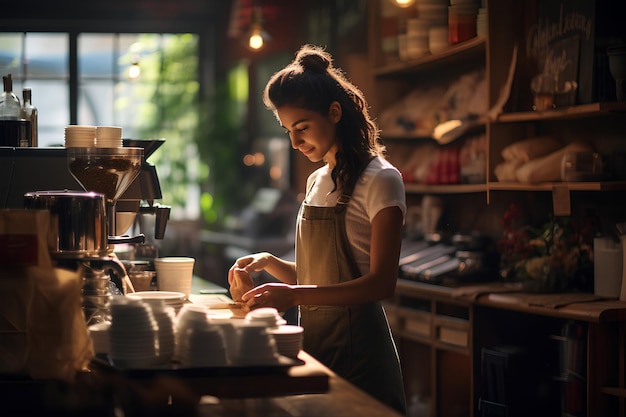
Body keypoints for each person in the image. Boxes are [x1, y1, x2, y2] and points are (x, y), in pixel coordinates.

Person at [228, 44, 407, 415]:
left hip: (363, 360)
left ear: (335, 112)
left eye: (302, 128)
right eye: (287, 131)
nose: (294, 143)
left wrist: (292, 295)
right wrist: (269, 265)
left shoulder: (382, 180)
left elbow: (381, 283)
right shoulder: (316, 181)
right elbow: (321, 279)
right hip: (317, 349)